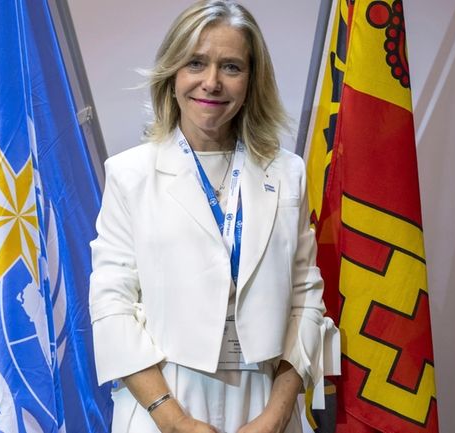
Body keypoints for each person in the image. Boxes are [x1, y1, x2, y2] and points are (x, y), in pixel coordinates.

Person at [88, 1, 339, 432]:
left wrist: (277, 415)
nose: (211, 82)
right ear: (173, 75)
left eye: (231, 67)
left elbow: (305, 298)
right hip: (163, 395)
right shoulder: (129, 174)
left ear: (251, 81)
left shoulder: (286, 172)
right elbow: (112, 307)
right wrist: (174, 420)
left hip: (266, 395)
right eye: (196, 63)